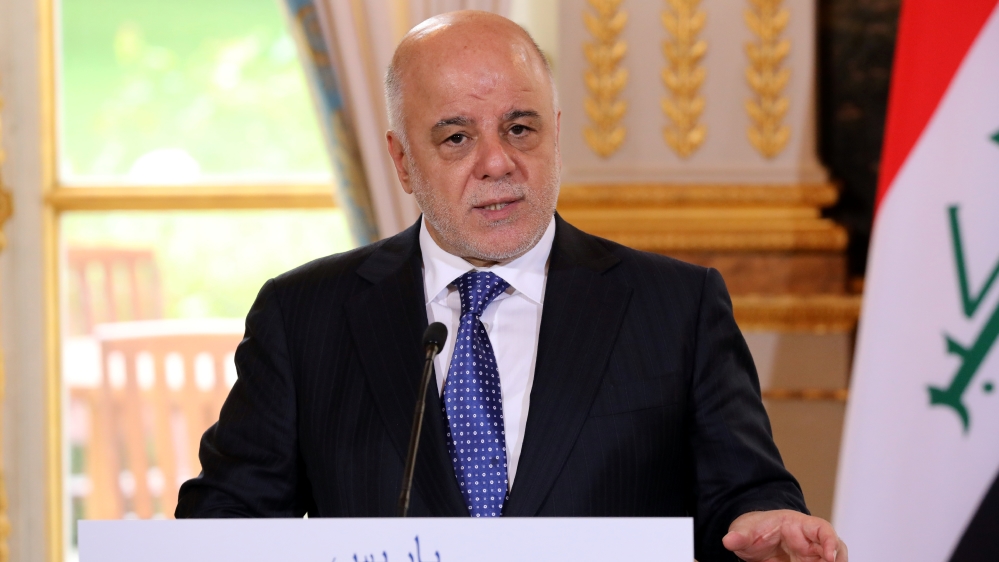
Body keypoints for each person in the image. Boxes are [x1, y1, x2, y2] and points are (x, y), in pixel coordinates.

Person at [177, 10, 847, 562]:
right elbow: (226, 518)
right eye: (456, 137)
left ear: (555, 133)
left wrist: (769, 522)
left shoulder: (675, 307)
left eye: (519, 128)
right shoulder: (305, 317)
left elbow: (746, 494)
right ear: (402, 161)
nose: (497, 162)